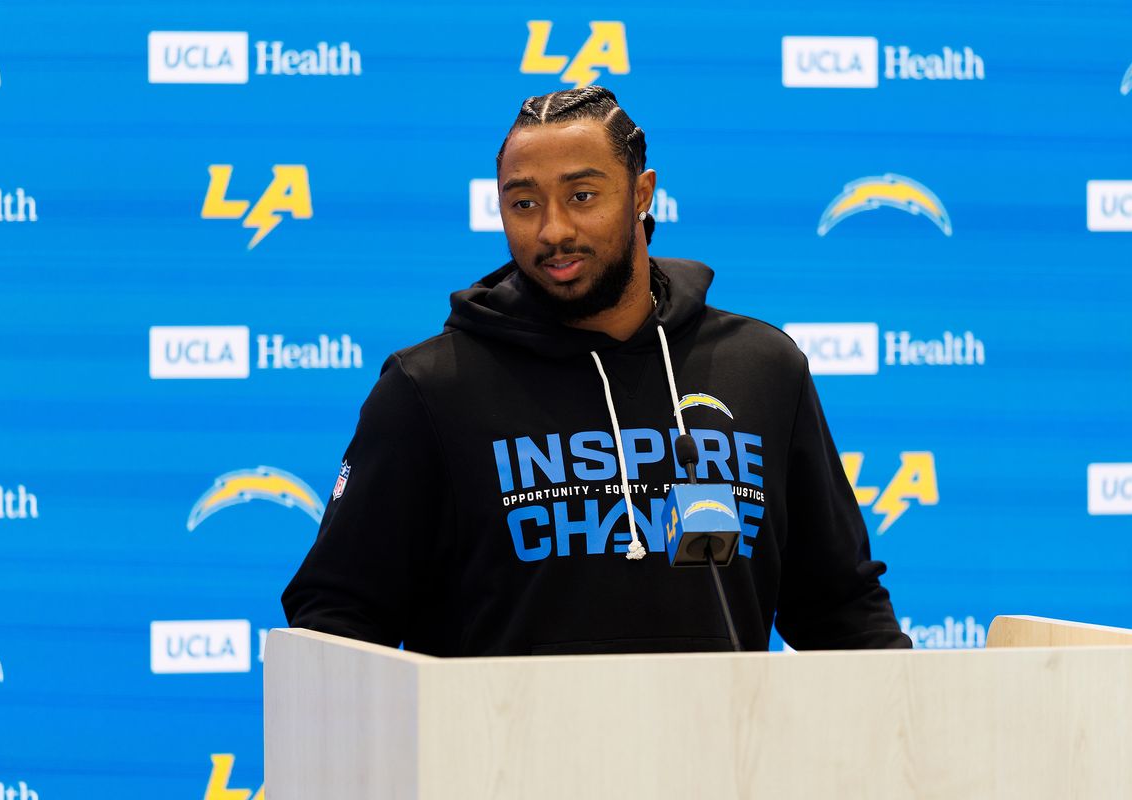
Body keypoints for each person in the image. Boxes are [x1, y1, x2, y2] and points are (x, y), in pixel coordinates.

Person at [282, 86, 911, 655]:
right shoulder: (430, 389)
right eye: (523, 203)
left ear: (642, 192)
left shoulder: (762, 368)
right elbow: (336, 619)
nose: (553, 230)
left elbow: (841, 611)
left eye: (582, 196)